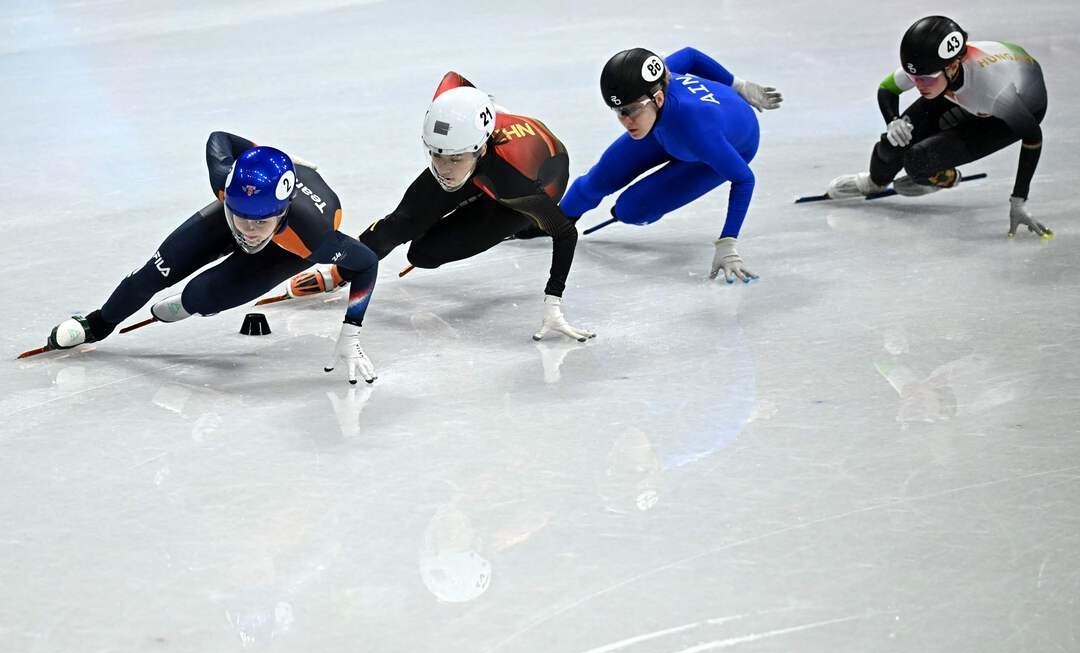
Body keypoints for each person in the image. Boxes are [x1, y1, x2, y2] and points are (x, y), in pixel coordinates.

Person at [38, 131, 381, 383]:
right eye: (239, 215)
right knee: (152, 275)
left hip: (286, 249)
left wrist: (351, 331)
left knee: (202, 295)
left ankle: (189, 304)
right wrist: (257, 153)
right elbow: (219, 139)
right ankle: (97, 324)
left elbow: (366, 262)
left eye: (260, 221)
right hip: (249, 209)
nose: (247, 230)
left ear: (283, 211)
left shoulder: (313, 237)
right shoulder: (225, 182)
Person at [285, 72, 593, 343]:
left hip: (531, 186)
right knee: (400, 224)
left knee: (424, 254)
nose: (444, 169)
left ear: (481, 147)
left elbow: (565, 233)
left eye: (453, 159)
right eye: (435, 155)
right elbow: (455, 79)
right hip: (480, 161)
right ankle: (338, 272)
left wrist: (553, 303)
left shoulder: (514, 181)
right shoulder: (452, 132)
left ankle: (522, 225)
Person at [549, 46, 782, 283]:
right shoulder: (656, 82)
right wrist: (738, 85)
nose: (625, 121)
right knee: (597, 180)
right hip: (667, 128)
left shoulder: (700, 132)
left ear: (658, 98)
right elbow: (691, 56)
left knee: (631, 209)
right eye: (618, 111)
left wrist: (728, 243)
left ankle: (625, 212)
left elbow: (744, 178)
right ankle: (557, 221)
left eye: (631, 111)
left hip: (721, 146)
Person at [826, 16, 1053, 239]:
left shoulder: (993, 92)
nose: (918, 86)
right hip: (961, 90)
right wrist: (893, 120)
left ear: (953, 66)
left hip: (1011, 110)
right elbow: (887, 88)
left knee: (918, 161)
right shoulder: (931, 68)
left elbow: (1033, 136)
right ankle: (874, 182)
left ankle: (946, 176)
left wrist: (1018, 200)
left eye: (925, 79)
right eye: (913, 78)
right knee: (892, 143)